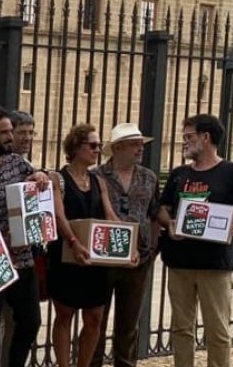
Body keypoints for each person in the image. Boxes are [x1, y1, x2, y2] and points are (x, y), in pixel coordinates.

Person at [157, 114, 233, 367]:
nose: (184, 142)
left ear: (206, 137)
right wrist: (168, 223)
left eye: (189, 137)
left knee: (217, 330)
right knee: (181, 328)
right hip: (180, 263)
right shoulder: (179, 174)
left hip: (215, 264)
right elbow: (163, 208)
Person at [0, 104, 50, 367]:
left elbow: (40, 183)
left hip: (23, 258)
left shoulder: (18, 163)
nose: (10, 136)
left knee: (31, 322)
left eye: (10, 131)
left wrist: (40, 176)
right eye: (4, 132)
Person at [46, 124, 121, 367]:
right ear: (76, 147)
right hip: (67, 254)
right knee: (65, 314)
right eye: (92, 145)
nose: (98, 150)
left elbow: (110, 216)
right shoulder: (58, 178)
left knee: (95, 317)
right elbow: (59, 216)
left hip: (94, 256)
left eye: (99, 145)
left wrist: (126, 246)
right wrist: (74, 242)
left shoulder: (98, 181)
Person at [90, 123, 160, 367]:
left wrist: (152, 249)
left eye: (141, 144)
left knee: (128, 325)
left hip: (138, 259)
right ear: (117, 148)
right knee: (95, 321)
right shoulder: (97, 176)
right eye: (134, 144)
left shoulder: (149, 177)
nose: (140, 148)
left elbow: (154, 214)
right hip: (104, 259)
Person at [0, 109, 36, 367]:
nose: (26, 138)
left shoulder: (24, 166)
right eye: (20, 132)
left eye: (30, 133)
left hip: (23, 258)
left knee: (28, 321)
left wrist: (47, 177)